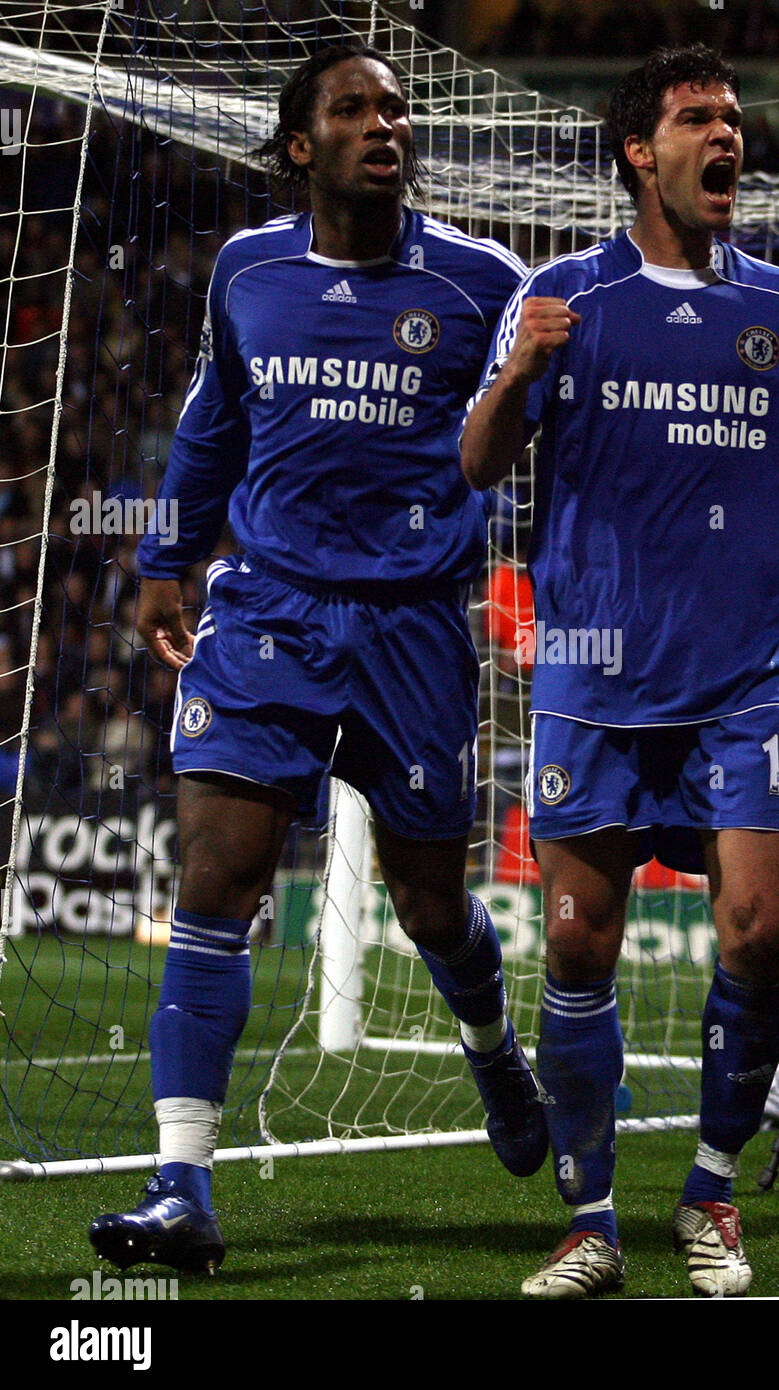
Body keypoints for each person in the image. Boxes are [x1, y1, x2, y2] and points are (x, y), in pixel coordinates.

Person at [461, 45, 779, 1298]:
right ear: (641, 149)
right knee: (576, 944)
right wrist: (518, 370)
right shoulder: (564, 294)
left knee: (763, 929)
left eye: (735, 120)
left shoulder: (777, 310)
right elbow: (478, 463)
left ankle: (711, 1195)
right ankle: (590, 1223)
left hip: (746, 673)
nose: (729, 138)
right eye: (700, 119)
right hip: (591, 674)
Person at [89, 44, 545, 1276]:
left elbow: (519, 436)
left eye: (395, 109)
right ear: (302, 144)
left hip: (413, 629)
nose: (382, 124)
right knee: (214, 883)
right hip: (271, 616)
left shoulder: (481, 277)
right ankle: (181, 1181)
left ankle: (495, 1048)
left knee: (432, 903)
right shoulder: (247, 270)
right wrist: (166, 558)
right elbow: (210, 422)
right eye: (354, 109)